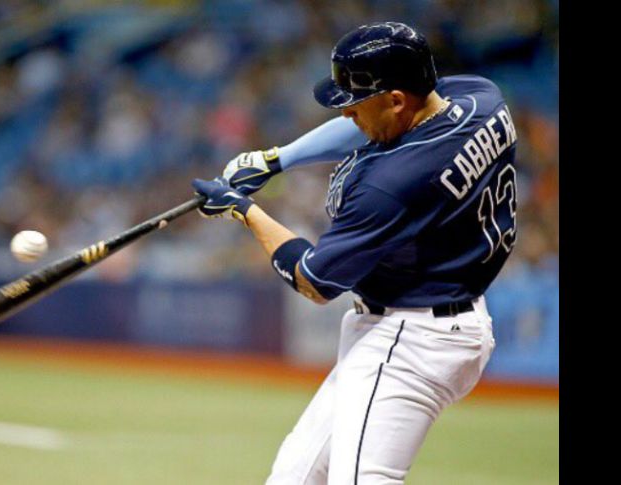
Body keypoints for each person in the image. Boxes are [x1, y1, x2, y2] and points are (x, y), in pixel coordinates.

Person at [192, 21, 517, 484]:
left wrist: (243, 211)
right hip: (430, 318)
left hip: (412, 336)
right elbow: (375, 123)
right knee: (295, 476)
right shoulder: (480, 98)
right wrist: (277, 160)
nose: (347, 113)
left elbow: (313, 280)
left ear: (397, 99)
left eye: (356, 102)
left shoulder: (391, 185)